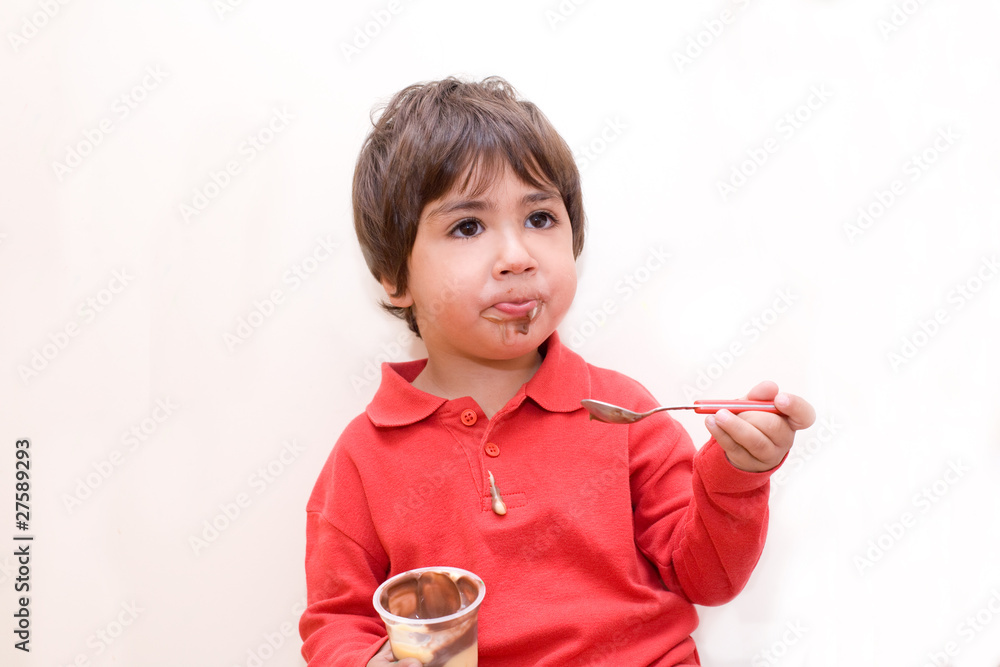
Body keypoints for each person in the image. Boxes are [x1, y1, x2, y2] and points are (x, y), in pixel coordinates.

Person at [299, 76, 816, 667]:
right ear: (395, 278)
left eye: (541, 218)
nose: (517, 257)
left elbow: (708, 578)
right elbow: (336, 621)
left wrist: (738, 476)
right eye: (468, 227)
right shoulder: (363, 459)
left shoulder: (625, 412)